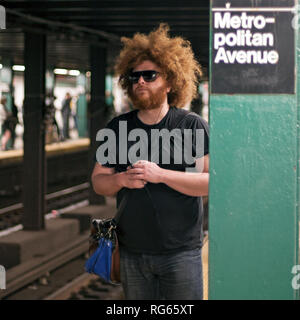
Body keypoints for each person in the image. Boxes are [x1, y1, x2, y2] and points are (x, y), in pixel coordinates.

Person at [91, 24, 209, 300]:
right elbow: (98, 181)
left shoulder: (192, 126)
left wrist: (162, 175)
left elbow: (209, 183)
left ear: (169, 82)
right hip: (132, 252)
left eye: (150, 75)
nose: (140, 81)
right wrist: (121, 179)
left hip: (181, 253)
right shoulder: (117, 128)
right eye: (135, 77)